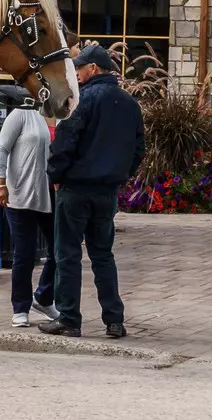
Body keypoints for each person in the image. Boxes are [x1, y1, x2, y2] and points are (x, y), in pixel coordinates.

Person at [40, 45, 144, 340]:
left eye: (80, 67)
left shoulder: (81, 100)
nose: (76, 72)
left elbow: (64, 143)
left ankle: (70, 319)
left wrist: (55, 175)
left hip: (76, 187)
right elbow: (139, 148)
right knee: (102, 255)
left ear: (93, 69)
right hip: (107, 190)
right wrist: (121, 174)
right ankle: (114, 320)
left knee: (68, 254)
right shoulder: (129, 103)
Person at [0, 89, 57, 327]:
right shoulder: (21, 114)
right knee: (25, 253)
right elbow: (1, 149)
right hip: (20, 194)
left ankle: (44, 297)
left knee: (59, 250)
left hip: (51, 194)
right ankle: (20, 308)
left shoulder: (60, 115)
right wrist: (0, 183)